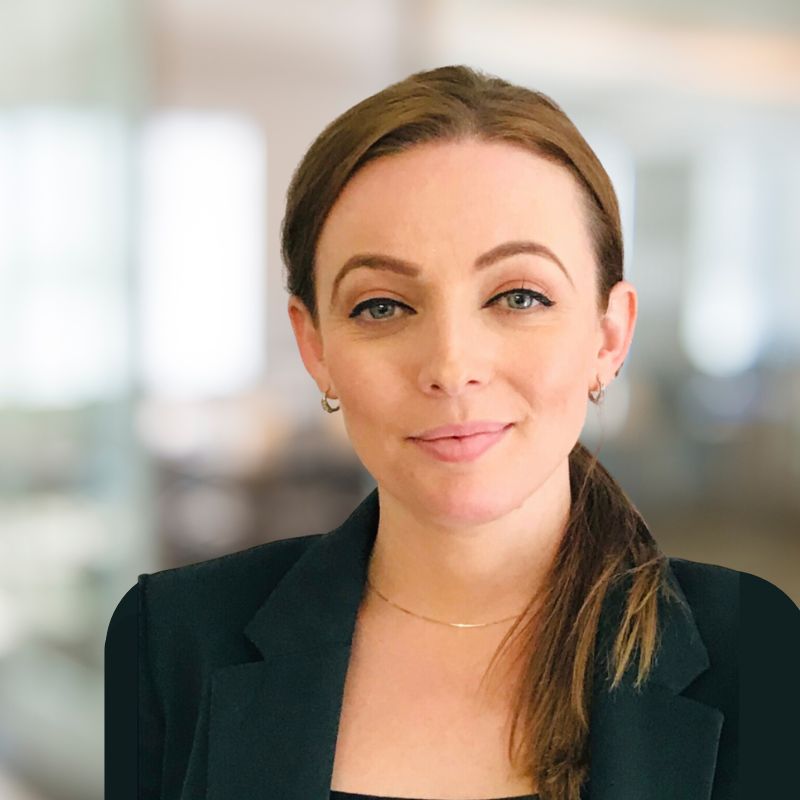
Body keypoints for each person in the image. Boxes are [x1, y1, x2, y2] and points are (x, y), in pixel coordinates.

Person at [105, 65, 799, 800]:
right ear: (316, 350)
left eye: (518, 296)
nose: (450, 366)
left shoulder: (754, 650)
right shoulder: (171, 639)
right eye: (382, 307)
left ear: (609, 334)